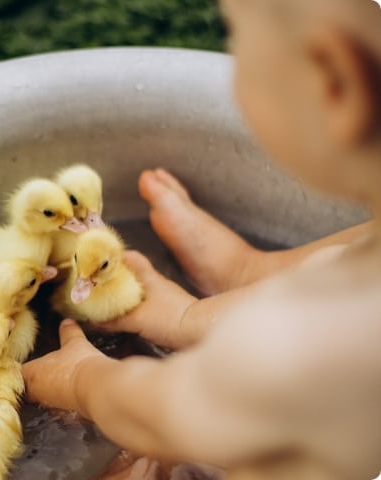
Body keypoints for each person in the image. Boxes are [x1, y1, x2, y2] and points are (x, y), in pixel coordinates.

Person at [23, 0, 381, 479]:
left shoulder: (326, 343)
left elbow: (161, 412)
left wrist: (83, 381)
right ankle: (247, 276)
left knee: (168, 456)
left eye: (235, 40)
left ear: (336, 83)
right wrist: (187, 317)